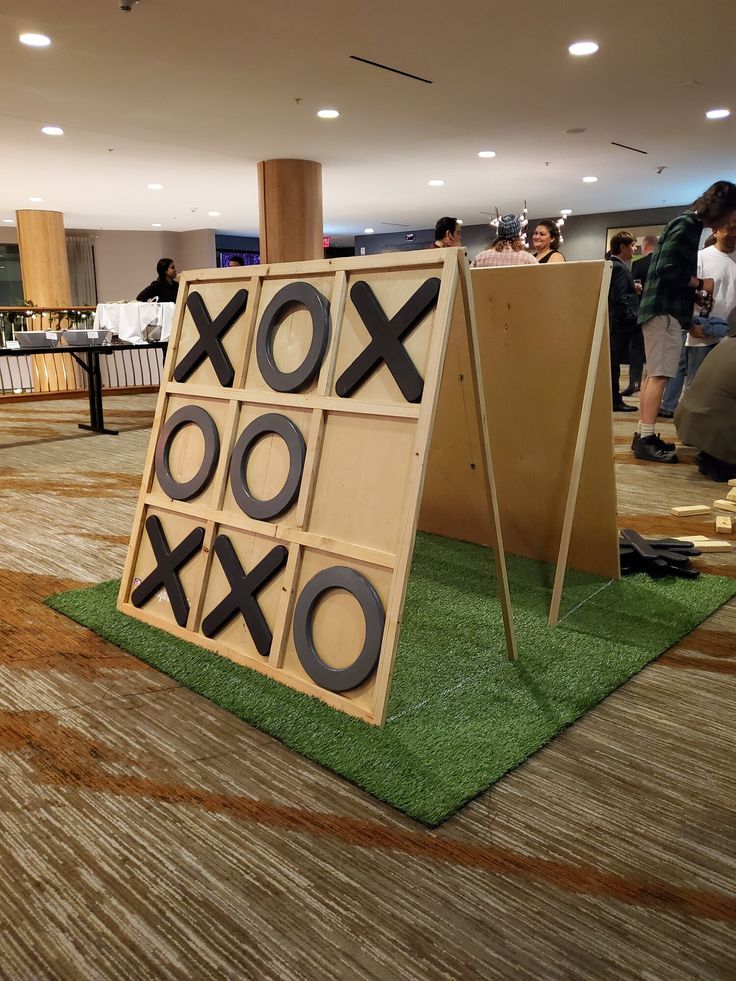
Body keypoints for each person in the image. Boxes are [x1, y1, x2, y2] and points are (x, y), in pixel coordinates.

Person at [632, 180, 736, 464]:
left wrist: (695, 294)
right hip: (662, 310)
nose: (730, 222)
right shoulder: (687, 224)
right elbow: (667, 269)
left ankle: (644, 433)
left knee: (657, 373)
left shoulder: (687, 223)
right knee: (659, 375)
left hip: (664, 310)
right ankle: (645, 438)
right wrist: (702, 282)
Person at [675, 309, 736, 481]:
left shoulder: (724, 345)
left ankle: (715, 458)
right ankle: (724, 461)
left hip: (689, 423)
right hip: (716, 431)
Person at [683, 222, 736, 383]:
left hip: (732, 337)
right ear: (715, 231)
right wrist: (691, 327)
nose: (734, 233)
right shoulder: (701, 258)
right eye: (730, 228)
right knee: (697, 387)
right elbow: (686, 294)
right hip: (703, 335)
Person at [621, 235, 658, 395]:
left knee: (636, 348)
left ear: (645, 246)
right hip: (659, 312)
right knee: (657, 350)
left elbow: (633, 290)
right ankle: (653, 383)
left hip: (640, 311)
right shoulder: (662, 263)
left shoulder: (638, 264)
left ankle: (634, 382)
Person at [607, 231, 639, 412]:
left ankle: (614, 399)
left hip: (616, 322)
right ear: (622, 247)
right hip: (619, 324)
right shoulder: (618, 267)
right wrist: (628, 316)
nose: (634, 249)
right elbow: (618, 297)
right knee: (614, 363)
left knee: (614, 362)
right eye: (631, 245)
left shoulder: (613, 265)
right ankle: (615, 400)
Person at [471, 214, 538, 267]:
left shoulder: (480, 258)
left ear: (499, 233)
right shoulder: (528, 260)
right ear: (518, 233)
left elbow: (468, 282)